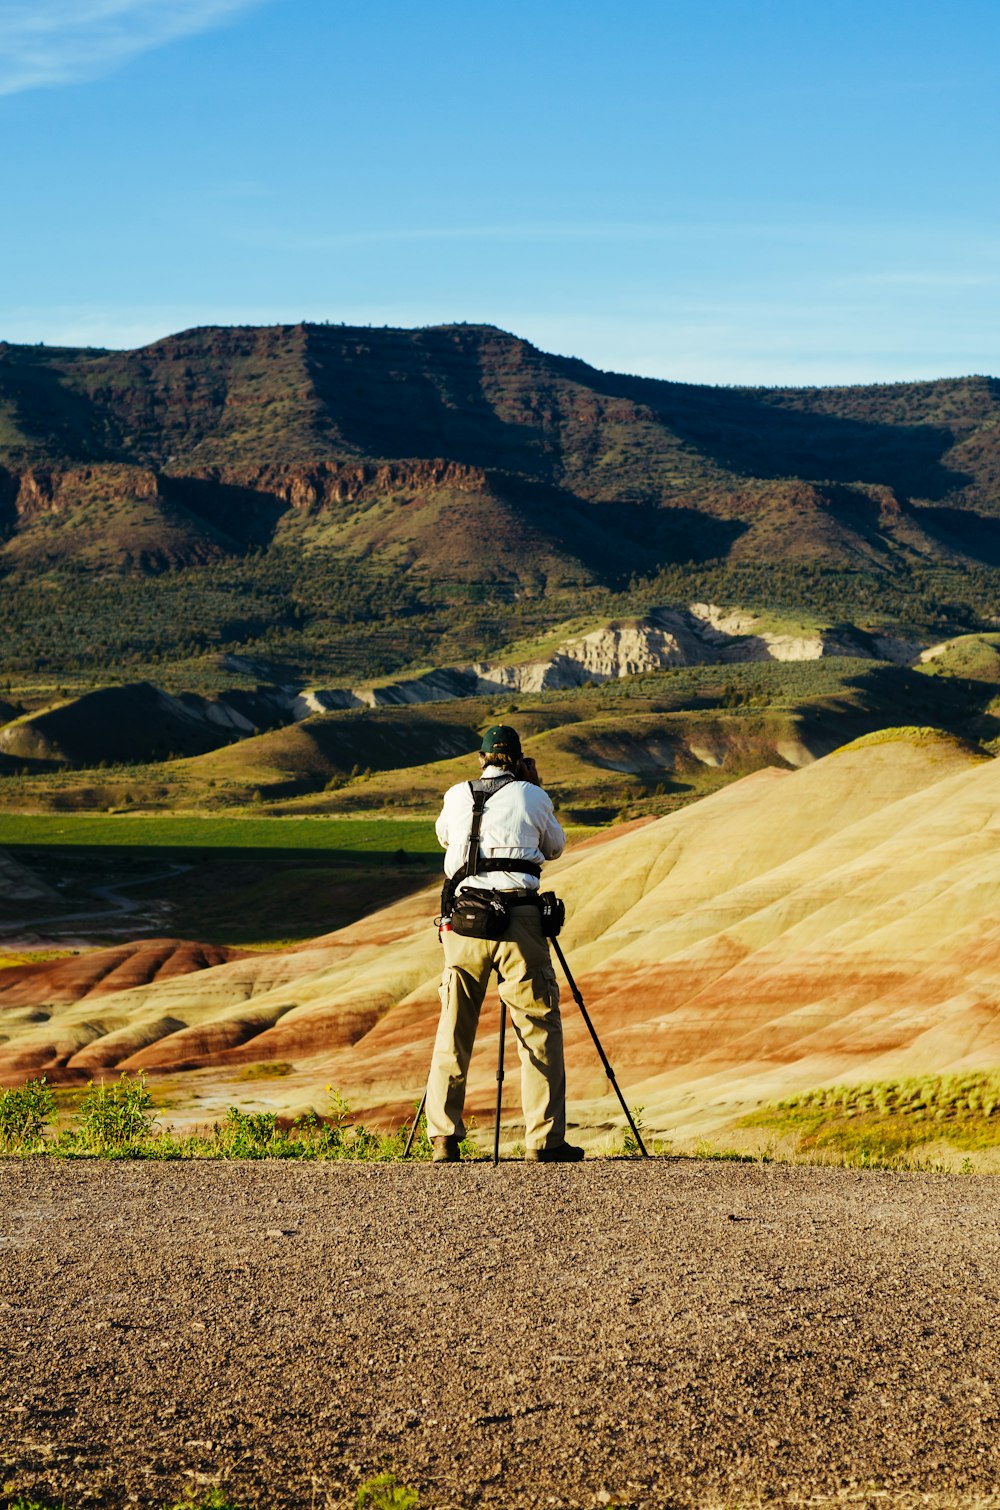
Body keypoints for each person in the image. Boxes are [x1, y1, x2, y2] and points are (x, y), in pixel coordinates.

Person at [427, 723, 584, 1164]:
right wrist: (533, 788)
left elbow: (445, 837)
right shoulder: (532, 794)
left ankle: (443, 1137)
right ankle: (545, 1141)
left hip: (464, 921)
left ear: (481, 759)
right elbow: (554, 847)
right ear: (517, 758)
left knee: (454, 1026)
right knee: (537, 1028)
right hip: (519, 919)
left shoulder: (457, 794)